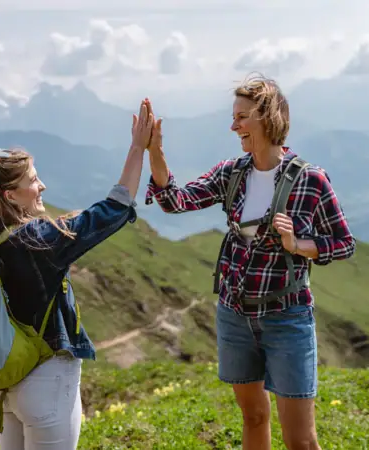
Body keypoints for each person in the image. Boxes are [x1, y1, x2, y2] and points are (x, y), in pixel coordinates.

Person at [144, 74, 356, 450]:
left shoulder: (310, 180)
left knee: (302, 441)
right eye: (234, 117)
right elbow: (176, 201)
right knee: (254, 417)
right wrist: (155, 152)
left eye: (242, 117)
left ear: (267, 117)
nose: (233, 125)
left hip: (287, 317)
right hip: (234, 314)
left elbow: (343, 244)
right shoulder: (233, 173)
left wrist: (299, 244)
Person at [0, 99, 155, 449]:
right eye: (33, 180)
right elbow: (111, 210)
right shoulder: (39, 240)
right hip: (47, 381)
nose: (41, 185)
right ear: (12, 195)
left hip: (7, 385)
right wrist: (137, 149)